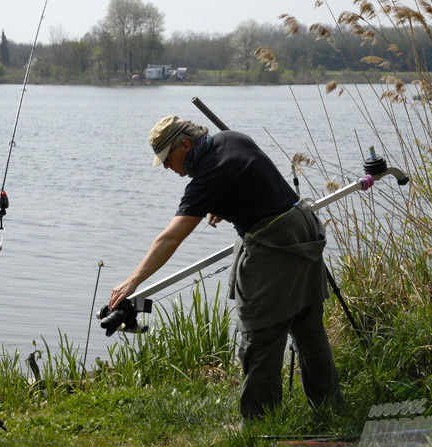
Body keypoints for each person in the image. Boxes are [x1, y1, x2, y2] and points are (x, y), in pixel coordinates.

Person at [108, 115, 342, 420]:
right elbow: (252, 177)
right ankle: (329, 409)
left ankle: (260, 423)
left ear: (186, 145)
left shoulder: (208, 177)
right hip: (303, 230)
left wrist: (133, 280)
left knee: (261, 336)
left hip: (275, 246)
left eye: (168, 159)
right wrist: (224, 202)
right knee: (309, 328)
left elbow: (170, 238)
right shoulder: (232, 139)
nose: (167, 167)